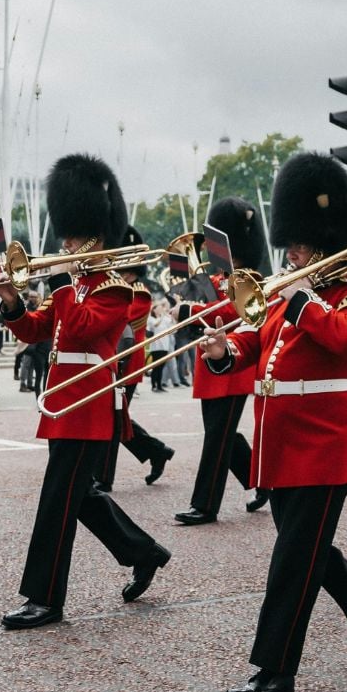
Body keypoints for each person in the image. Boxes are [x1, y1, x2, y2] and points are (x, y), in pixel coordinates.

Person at [201, 152, 347, 692]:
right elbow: (261, 344)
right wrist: (225, 351)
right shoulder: (286, 290)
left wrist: (302, 299)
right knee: (307, 553)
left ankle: (272, 672)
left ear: (324, 240)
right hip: (281, 441)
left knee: (294, 561)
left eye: (298, 245)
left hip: (324, 442)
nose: (289, 252)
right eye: (290, 244)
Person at [0, 154, 170, 630]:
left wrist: (59, 282)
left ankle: (45, 598)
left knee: (58, 500)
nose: (63, 243)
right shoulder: (71, 285)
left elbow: (81, 328)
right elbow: (37, 330)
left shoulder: (116, 291)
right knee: (79, 496)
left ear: (92, 238)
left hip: (87, 404)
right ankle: (144, 552)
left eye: (70, 238)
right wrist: (13, 305)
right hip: (63, 404)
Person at [174, 198, 268, 527]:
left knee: (217, 438)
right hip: (209, 361)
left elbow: (232, 313)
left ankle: (205, 505)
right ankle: (261, 480)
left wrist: (190, 311)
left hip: (234, 364)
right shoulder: (215, 278)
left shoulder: (249, 279)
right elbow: (205, 308)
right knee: (222, 435)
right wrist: (184, 301)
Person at [93, 227, 174, 493]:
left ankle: (104, 477)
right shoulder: (116, 287)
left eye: (125, 268)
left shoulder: (139, 293)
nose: (121, 271)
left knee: (113, 419)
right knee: (116, 417)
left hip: (127, 364)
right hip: (111, 362)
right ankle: (157, 450)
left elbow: (119, 321)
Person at [146, 298, 175, 391]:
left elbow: (172, 329)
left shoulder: (165, 318)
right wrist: (162, 316)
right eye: (158, 308)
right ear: (154, 310)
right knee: (156, 367)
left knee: (161, 366)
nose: (160, 310)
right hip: (156, 347)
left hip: (164, 346)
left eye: (160, 308)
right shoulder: (151, 319)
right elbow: (155, 325)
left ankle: (159, 385)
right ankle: (153, 385)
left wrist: (171, 317)